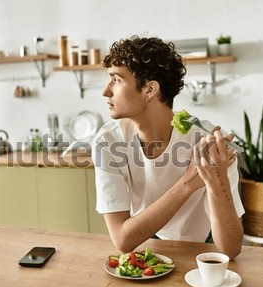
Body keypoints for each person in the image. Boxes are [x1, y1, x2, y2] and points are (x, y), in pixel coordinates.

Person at [91, 35, 244, 260]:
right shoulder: (108, 142)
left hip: (201, 252)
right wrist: (187, 184)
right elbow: (123, 240)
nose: (106, 91)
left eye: (116, 80)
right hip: (144, 248)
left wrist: (216, 178)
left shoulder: (207, 144)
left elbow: (230, 249)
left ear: (149, 89)